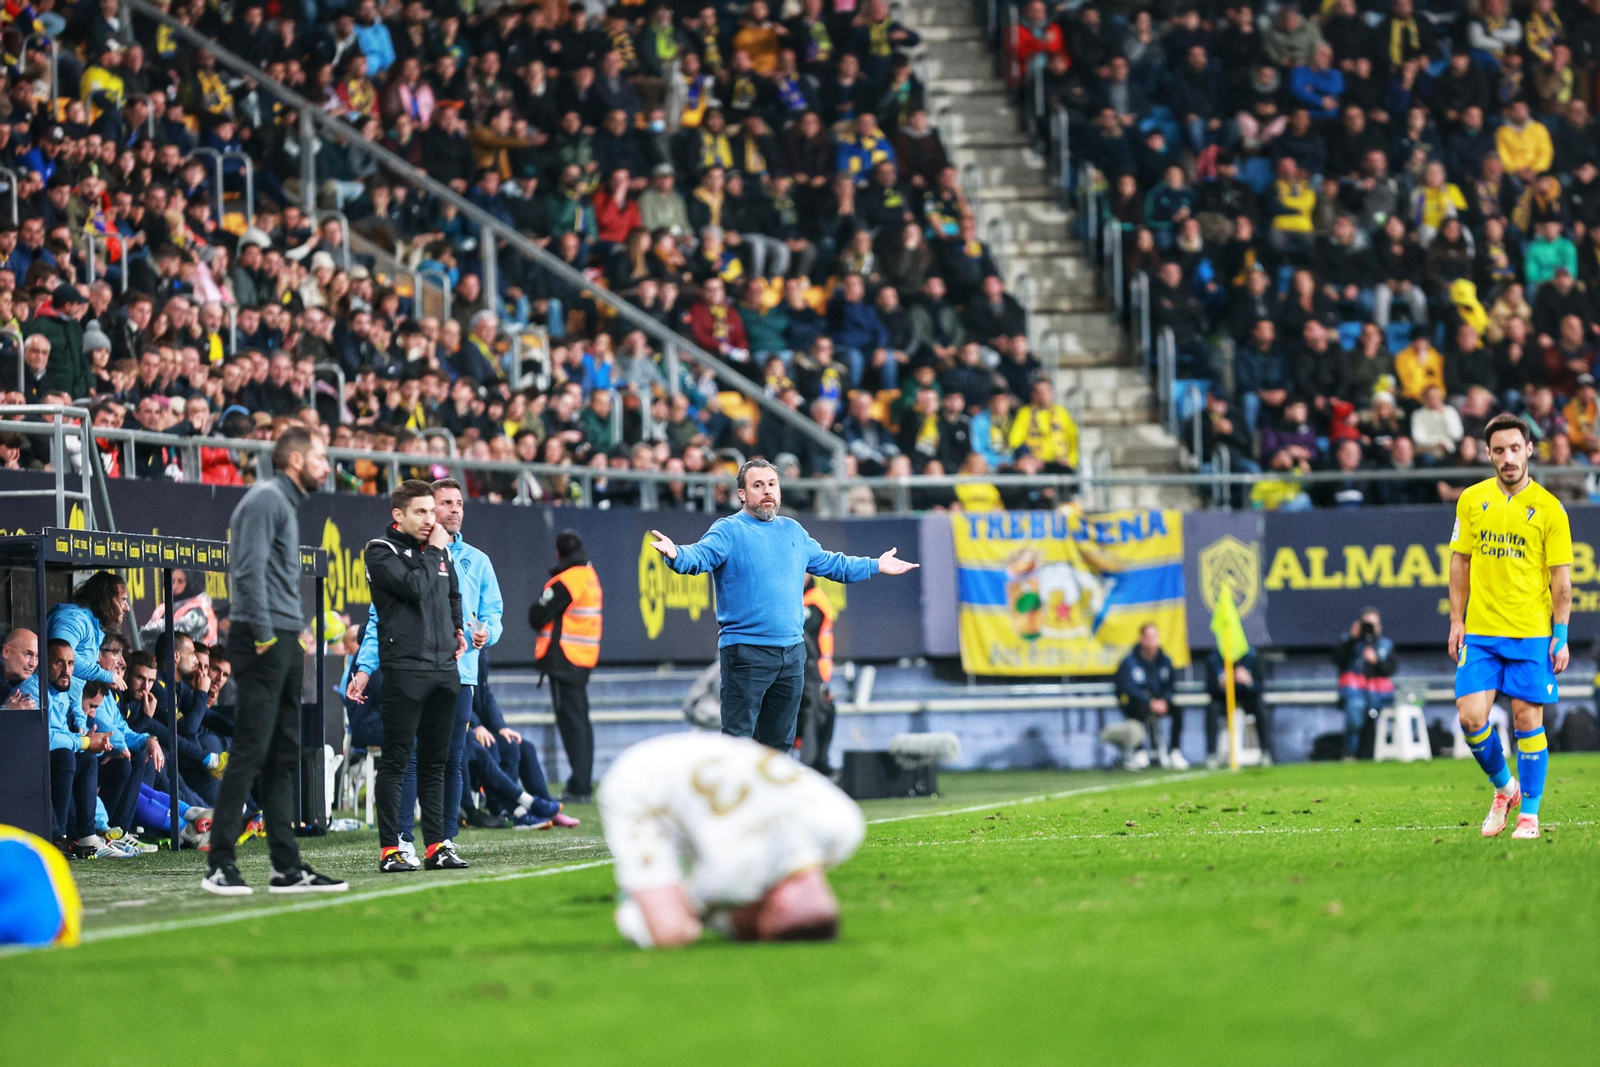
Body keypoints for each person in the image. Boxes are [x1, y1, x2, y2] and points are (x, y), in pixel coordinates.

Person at [647, 459, 917, 748]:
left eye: (772, 484)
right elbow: (698, 556)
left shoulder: (793, 531)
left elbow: (833, 564)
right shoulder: (728, 530)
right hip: (746, 653)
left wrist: (877, 564)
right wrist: (675, 554)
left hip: (791, 654)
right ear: (742, 494)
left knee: (779, 748)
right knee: (739, 745)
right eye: (758, 485)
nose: (767, 491)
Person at [205, 427, 346, 897]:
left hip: (284, 639)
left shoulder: (283, 502)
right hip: (262, 639)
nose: (328, 466)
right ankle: (220, 864)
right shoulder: (266, 499)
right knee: (250, 749)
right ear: (295, 460)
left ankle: (287, 868)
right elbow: (246, 569)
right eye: (321, 457)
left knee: (284, 754)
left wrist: (290, 635)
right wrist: (265, 634)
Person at [353, 478, 526, 861]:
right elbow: (379, 615)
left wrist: (476, 633)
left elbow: (480, 610)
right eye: (438, 505)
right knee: (406, 758)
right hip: (407, 668)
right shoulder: (391, 552)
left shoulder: (474, 560)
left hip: (455, 670)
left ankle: (443, 840)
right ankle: (398, 841)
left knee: (449, 758)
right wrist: (366, 666)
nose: (450, 511)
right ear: (404, 514)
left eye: (455, 504)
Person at [598, 731, 865, 948]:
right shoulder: (732, 879)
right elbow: (673, 932)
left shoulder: (845, 826)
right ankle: (632, 915)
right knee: (662, 929)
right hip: (638, 782)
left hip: (709, 750)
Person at [1449, 413, 1571, 840]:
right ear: (1488, 454)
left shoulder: (1550, 509)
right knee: (1470, 718)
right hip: (1481, 633)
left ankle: (1529, 817)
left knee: (1525, 720)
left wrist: (1561, 636)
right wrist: (1455, 621)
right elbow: (1459, 561)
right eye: (1499, 450)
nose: (1508, 457)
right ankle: (1506, 789)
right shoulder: (1471, 500)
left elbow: (1561, 581)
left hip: (1531, 633)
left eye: (1515, 448)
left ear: (1529, 450)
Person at [352, 479, 467, 873]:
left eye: (432, 512)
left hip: (444, 669)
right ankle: (391, 849)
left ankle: (436, 845)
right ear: (397, 515)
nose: (430, 519)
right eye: (421, 511)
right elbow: (416, 588)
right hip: (405, 669)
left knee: (436, 763)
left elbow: (452, 592)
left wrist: (457, 629)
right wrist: (435, 550)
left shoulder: (437, 552)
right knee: (398, 762)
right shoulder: (380, 552)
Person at [527, 530, 604, 803]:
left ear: (559, 553)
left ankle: (579, 787)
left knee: (572, 723)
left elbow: (537, 615)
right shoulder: (589, 576)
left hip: (564, 659)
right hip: (582, 658)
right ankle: (581, 782)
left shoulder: (567, 580)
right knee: (580, 721)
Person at [1113, 623, 1184, 769]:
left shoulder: (1165, 660)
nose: (1153, 640)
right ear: (1142, 639)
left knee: (1177, 710)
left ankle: (1175, 751)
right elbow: (1128, 688)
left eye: (1155, 636)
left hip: (1160, 702)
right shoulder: (1130, 661)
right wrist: (1149, 702)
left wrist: (1164, 700)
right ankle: (1140, 751)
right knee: (1136, 707)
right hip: (1140, 703)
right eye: (1149, 637)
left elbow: (1171, 686)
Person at [1333, 609, 1397, 758]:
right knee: (1356, 716)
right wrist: (1352, 638)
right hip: (1355, 695)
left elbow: (1390, 669)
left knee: (1374, 718)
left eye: (1374, 625)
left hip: (1380, 698)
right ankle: (1350, 754)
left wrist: (1377, 662)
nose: (1370, 629)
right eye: (1367, 624)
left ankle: (1372, 756)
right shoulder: (1350, 643)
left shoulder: (1384, 645)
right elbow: (1337, 659)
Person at [797, 576, 836, 774]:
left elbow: (802, 632)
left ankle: (811, 768)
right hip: (809, 672)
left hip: (811, 672)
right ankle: (816, 765)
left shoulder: (813, 601)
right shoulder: (801, 599)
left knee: (814, 716)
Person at [1205, 647, 1270, 767]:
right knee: (1212, 707)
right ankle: (1211, 754)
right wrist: (1222, 685)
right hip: (1224, 699)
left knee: (1261, 706)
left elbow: (1259, 688)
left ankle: (1265, 751)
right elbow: (1210, 689)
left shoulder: (1253, 657)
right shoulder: (1214, 659)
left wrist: (1248, 681)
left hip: (1247, 699)